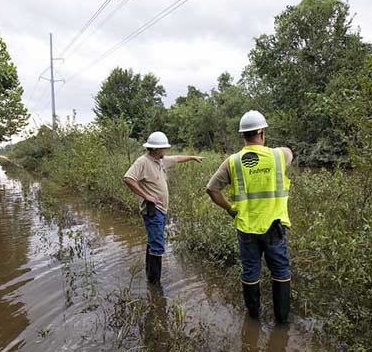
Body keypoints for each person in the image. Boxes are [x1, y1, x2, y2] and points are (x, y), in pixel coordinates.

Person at [206, 110, 293, 323]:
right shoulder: (279, 155)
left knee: (251, 271)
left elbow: (211, 189)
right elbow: (289, 152)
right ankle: (281, 322)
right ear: (262, 132)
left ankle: (253, 319)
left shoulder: (232, 162)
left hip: (246, 228)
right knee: (280, 270)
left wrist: (229, 208)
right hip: (274, 227)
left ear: (242, 135)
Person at [123, 131, 203, 285]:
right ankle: (155, 284)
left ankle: (149, 276)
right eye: (164, 148)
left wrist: (193, 158)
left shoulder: (160, 161)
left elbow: (177, 158)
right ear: (156, 149)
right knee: (158, 245)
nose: (166, 151)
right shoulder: (143, 162)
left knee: (153, 241)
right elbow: (128, 178)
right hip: (153, 212)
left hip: (160, 211)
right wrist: (147, 196)